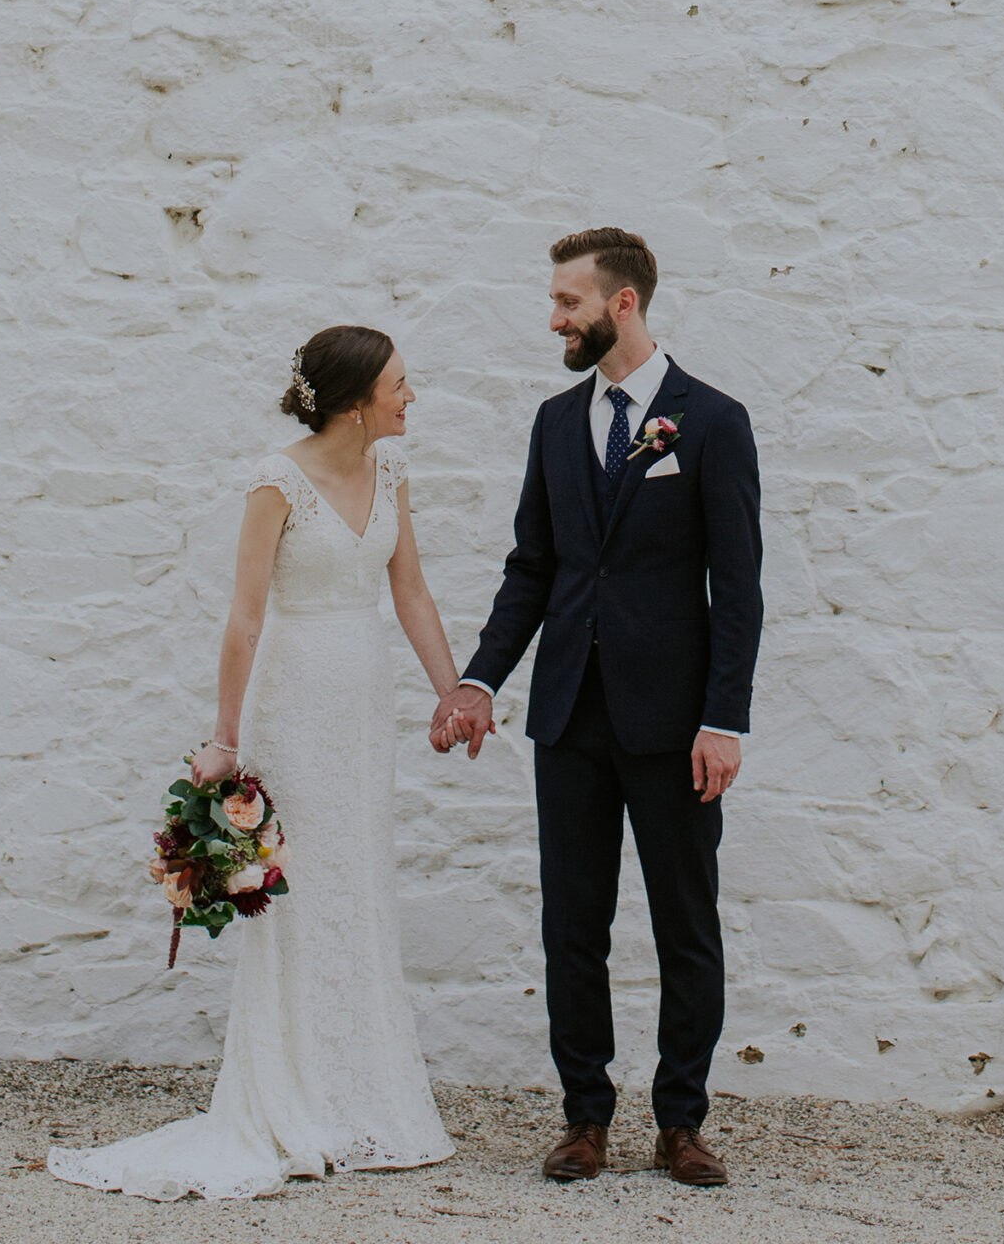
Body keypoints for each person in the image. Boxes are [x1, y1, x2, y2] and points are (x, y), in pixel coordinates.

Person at [49, 326, 460, 1202]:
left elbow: (411, 588)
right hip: (294, 698)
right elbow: (242, 619)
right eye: (399, 384)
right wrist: (226, 741)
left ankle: (365, 1097)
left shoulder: (390, 472)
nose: (411, 397)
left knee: (358, 886)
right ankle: (290, 1098)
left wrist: (451, 691)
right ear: (355, 402)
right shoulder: (276, 482)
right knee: (299, 893)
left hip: (361, 700)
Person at [430, 228, 763, 1190]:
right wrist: (481, 681)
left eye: (567, 302)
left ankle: (681, 1122)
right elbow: (533, 567)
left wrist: (724, 720)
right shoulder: (553, 420)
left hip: (675, 727)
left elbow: (735, 587)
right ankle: (584, 1117)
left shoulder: (712, 422)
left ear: (622, 303)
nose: (553, 318)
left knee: (683, 925)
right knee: (572, 925)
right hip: (568, 717)